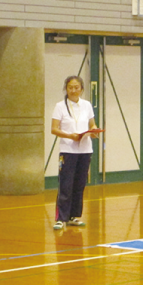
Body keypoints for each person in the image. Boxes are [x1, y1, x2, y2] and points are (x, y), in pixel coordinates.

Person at [51, 76, 100, 230]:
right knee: (66, 184)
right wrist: (70, 135)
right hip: (68, 150)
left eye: (76, 87)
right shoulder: (60, 106)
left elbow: (92, 124)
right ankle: (61, 218)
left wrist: (94, 131)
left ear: (81, 89)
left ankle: (73, 216)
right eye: (70, 87)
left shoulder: (87, 105)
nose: (73, 90)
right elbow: (54, 129)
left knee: (79, 184)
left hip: (85, 150)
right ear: (66, 89)